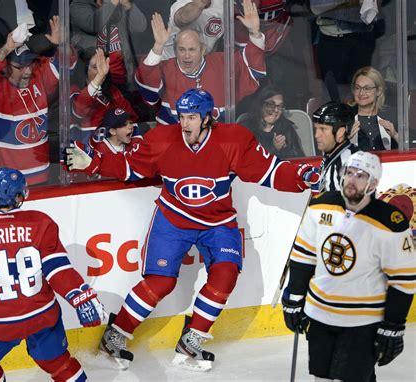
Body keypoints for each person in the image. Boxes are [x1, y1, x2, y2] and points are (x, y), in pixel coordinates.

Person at [64, 88, 320, 370]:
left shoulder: (233, 140)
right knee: (160, 281)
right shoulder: (162, 139)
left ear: (208, 118)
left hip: (218, 221)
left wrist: (301, 175)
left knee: (226, 273)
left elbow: (269, 171)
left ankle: (192, 339)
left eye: (192, 117)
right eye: (182, 116)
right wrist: (94, 163)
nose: (185, 124)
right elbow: (131, 166)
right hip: (173, 218)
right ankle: (116, 335)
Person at [0, 167, 105, 381]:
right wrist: (81, 297)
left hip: (0, 322)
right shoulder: (39, 221)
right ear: (18, 196)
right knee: (57, 362)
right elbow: (58, 269)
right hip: (43, 315)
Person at [281, 151, 415, 382]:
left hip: (363, 321)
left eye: (360, 175)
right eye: (349, 173)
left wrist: (393, 324)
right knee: (321, 378)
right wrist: (294, 298)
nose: (351, 180)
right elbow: (304, 256)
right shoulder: (320, 206)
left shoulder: (389, 222)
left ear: (373, 183)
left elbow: (403, 278)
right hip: (320, 314)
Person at [0, 16, 70, 186]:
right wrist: (7, 48)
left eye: (29, 64)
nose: (26, 72)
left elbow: (67, 63)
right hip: (0, 178)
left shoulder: (38, 77)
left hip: (39, 176)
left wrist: (59, 44)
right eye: (19, 67)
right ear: (5, 66)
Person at [135, 0, 266, 124]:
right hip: (172, 76)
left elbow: (250, 68)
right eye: (182, 50)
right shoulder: (182, 5)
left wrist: (254, 32)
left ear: (202, 50)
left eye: (191, 50)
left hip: (208, 64)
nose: (187, 55)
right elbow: (183, 18)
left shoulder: (221, 63)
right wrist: (158, 45)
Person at [70, 0, 147, 89]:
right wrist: (112, 2)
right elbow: (93, 24)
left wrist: (127, 4)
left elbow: (140, 26)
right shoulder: (78, 5)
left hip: (124, 78)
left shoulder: (118, 5)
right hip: (97, 81)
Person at [70, 47, 138, 145]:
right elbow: (79, 110)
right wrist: (99, 77)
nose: (101, 70)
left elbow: (131, 120)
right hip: (83, 153)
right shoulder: (73, 90)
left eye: (103, 66)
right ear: (84, 69)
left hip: (109, 153)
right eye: (95, 67)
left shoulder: (113, 92)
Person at [240, 85, 305, 159]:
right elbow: (245, 160)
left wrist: (285, 149)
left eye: (280, 106)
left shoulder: (287, 128)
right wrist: (274, 149)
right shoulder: (246, 128)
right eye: (271, 105)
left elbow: (299, 159)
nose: (276, 110)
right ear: (260, 105)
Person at [312, 101, 359, 192]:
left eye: (323, 129)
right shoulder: (333, 154)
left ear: (340, 132)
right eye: (316, 128)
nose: (316, 135)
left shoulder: (346, 165)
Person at [349, 66, 398, 151]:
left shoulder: (392, 119)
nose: (361, 93)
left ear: (378, 91)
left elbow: (409, 148)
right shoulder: (346, 121)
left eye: (367, 88)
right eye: (357, 88)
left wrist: (395, 135)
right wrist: (346, 140)